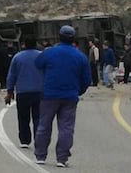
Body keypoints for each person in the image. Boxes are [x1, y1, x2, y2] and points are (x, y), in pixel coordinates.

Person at [34, 25, 91, 167]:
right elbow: (87, 79)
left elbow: (38, 63)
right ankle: (62, 158)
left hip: (49, 95)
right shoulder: (80, 56)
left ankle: (41, 155)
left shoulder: (50, 52)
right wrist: (79, 91)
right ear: (73, 39)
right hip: (70, 96)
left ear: (59, 37)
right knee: (66, 128)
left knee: (44, 125)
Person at [5, 38, 43, 148]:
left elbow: (12, 76)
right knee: (39, 118)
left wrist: (9, 92)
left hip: (22, 92)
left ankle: (25, 140)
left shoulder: (17, 57)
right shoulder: (42, 56)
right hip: (39, 92)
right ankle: (39, 139)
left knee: (23, 117)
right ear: (35, 44)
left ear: (24, 45)